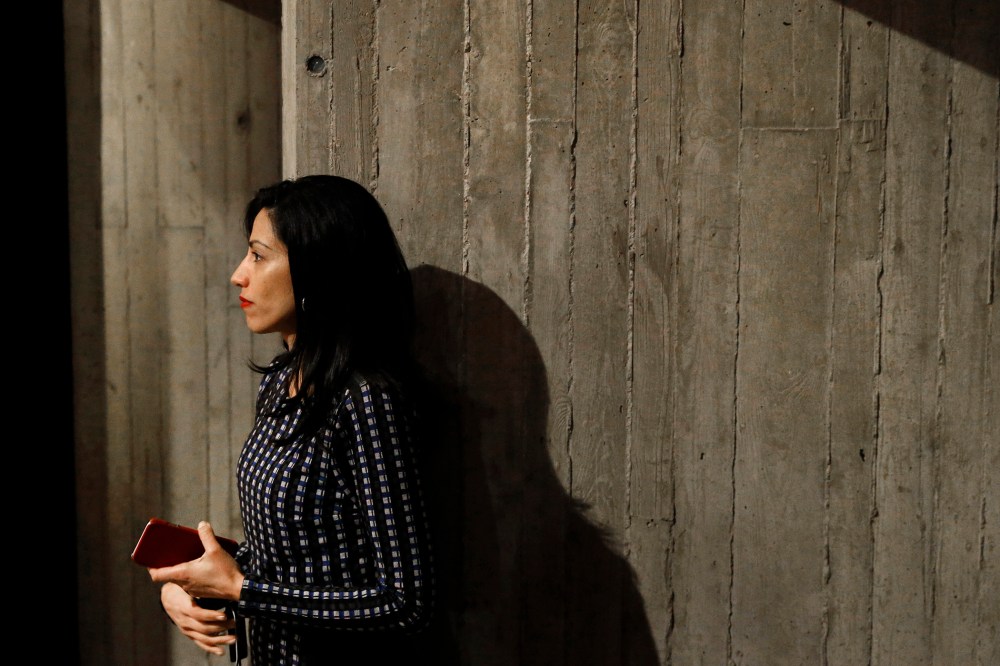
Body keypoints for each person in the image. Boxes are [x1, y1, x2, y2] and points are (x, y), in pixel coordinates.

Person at [147, 174, 435, 665]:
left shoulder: (366, 400)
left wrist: (243, 591)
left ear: (318, 271)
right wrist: (193, 586)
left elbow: (406, 603)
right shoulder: (282, 379)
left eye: (259, 256)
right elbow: (285, 561)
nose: (240, 274)